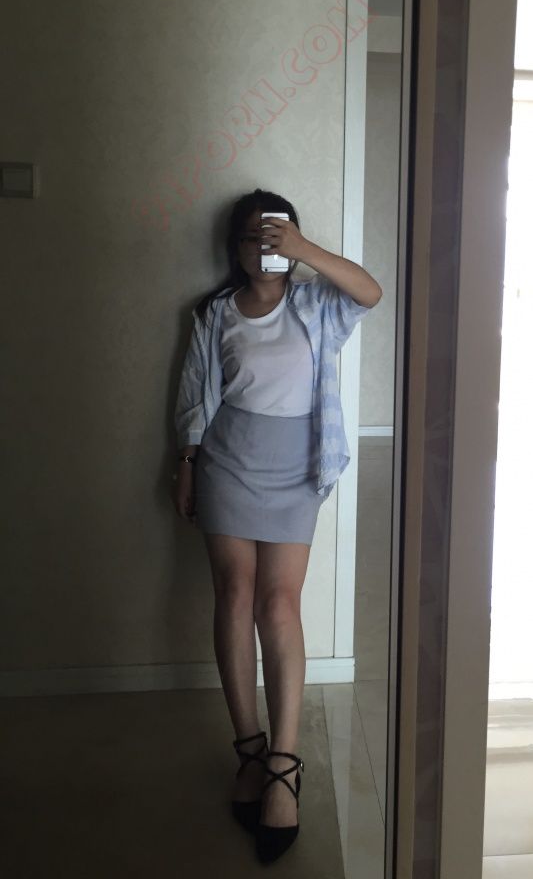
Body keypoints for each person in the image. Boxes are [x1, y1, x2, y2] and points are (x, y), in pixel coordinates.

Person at [171, 188, 382, 863]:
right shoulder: (215, 312)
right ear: (235, 249)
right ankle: (249, 752)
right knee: (234, 595)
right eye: (255, 239)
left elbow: (371, 292)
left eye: (276, 237)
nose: (266, 250)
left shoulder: (318, 304)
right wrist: (186, 464)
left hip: (297, 468)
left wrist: (303, 251)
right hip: (227, 462)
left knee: (278, 604)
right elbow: (196, 393)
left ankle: (284, 766)